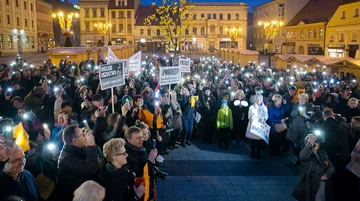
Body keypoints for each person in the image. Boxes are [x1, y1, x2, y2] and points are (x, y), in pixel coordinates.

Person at [57, 125, 101, 201]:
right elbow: (91, 169)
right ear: (75, 140)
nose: (85, 136)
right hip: (79, 195)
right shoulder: (67, 160)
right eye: (82, 135)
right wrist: (90, 146)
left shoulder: (77, 148)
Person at [292, 134, 335, 201]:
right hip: (309, 185)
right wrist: (309, 145)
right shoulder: (306, 154)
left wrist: (327, 174)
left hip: (322, 183)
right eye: (312, 142)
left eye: (316, 142)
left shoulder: (323, 154)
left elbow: (331, 167)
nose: (314, 144)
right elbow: (303, 157)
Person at [321, 108, 351, 201]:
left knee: (333, 176)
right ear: (332, 115)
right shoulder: (343, 125)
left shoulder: (325, 126)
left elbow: (323, 142)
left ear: (323, 116)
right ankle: (344, 194)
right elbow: (351, 137)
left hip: (333, 155)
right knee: (342, 174)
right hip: (345, 154)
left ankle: (334, 195)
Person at [124, 126, 159, 201]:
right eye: (137, 138)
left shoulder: (139, 148)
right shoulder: (128, 155)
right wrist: (150, 160)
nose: (141, 140)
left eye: (141, 137)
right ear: (129, 140)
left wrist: (155, 170)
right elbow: (140, 174)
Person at [287, 93, 314, 165]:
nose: (300, 100)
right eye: (299, 99)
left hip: (304, 128)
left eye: (302, 99)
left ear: (306, 99)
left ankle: (300, 159)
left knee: (302, 145)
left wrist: (305, 115)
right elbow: (292, 114)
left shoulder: (310, 105)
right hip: (295, 127)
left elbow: (311, 117)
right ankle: (298, 156)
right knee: (296, 145)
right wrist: (297, 111)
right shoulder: (296, 104)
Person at [246, 94, 268, 159]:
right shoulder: (252, 107)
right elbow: (249, 116)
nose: (259, 101)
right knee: (253, 141)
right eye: (257, 99)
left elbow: (266, 115)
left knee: (260, 141)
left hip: (261, 126)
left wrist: (263, 119)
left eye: (260, 99)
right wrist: (253, 120)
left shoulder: (264, 107)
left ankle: (258, 153)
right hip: (254, 125)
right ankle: (252, 152)